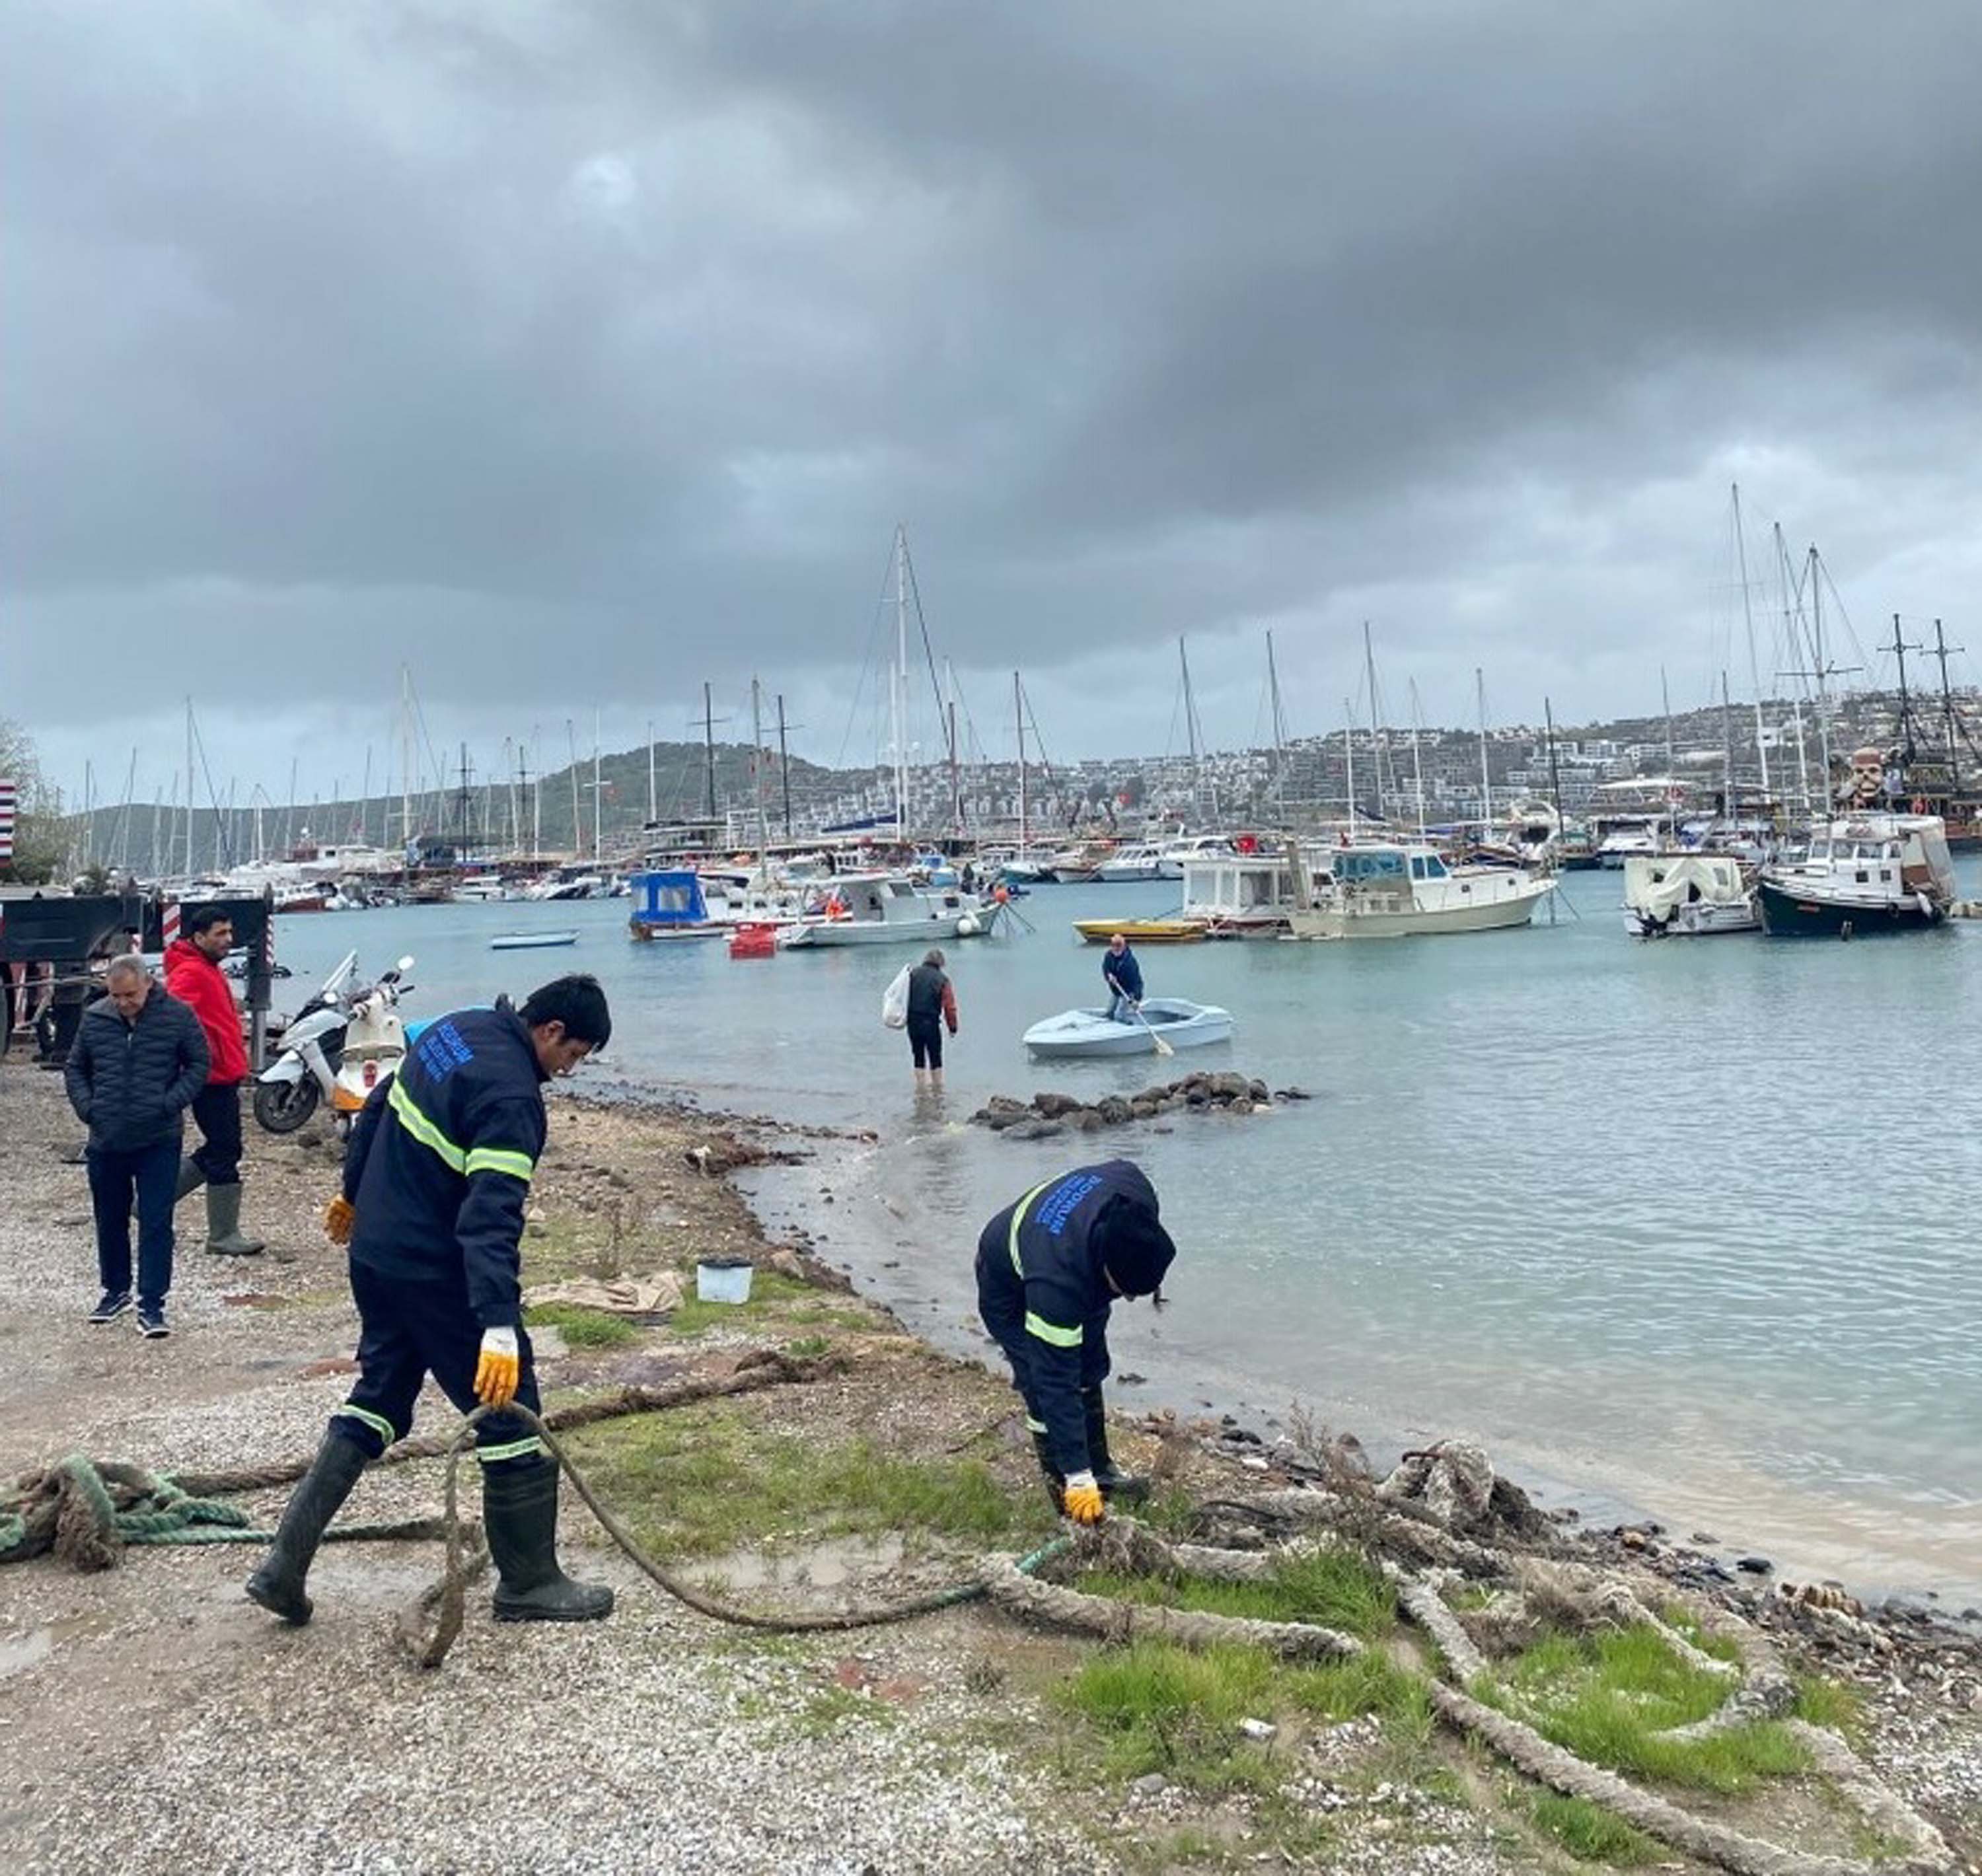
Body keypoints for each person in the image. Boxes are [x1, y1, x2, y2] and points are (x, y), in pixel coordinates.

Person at [247, 974, 615, 1628]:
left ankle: (283, 1564)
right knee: (509, 1411)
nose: (569, 1069)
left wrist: (354, 1192)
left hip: (376, 1255)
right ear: (552, 1031)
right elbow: (489, 1223)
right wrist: (499, 1326)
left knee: (382, 1396)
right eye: (575, 1054)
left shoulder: (454, 1029)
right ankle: (530, 1581)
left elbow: (380, 1103)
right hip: (432, 1268)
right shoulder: (512, 1097)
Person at [974, 1159, 1175, 1525]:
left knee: (1091, 1361)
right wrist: (1076, 1475)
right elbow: (1056, 1381)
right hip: (1008, 1287)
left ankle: (1102, 1472)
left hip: (1079, 1258)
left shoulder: (1134, 1193)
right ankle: (1068, 1492)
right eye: (1123, 1292)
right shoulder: (1058, 1285)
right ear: (1104, 1269)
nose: (1127, 1301)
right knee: (1042, 1382)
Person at [63, 955, 210, 1337]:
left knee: (156, 1221)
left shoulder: (177, 1016)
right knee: (109, 1219)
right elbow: (75, 1067)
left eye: (130, 995)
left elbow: (199, 1064)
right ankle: (115, 1291)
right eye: (117, 996)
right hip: (106, 1138)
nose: (124, 1003)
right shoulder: (96, 1018)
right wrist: (88, 1108)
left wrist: (168, 1103)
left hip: (157, 1139)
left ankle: (152, 1303)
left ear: (148, 984)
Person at [163, 904, 264, 1256]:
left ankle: (153, 1199)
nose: (228, 940)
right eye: (220, 934)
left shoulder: (205, 967)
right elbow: (170, 1020)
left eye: (230, 933)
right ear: (199, 937)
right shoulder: (191, 972)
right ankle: (221, 1234)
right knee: (224, 1148)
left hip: (220, 1073)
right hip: (210, 1077)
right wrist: (192, 1062)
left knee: (224, 1146)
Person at [906, 947, 958, 1084]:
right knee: (935, 1056)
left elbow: (903, 996)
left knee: (918, 1055)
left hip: (912, 1021)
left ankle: (921, 1088)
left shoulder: (912, 974)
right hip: (930, 1022)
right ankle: (938, 1088)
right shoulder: (942, 980)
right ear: (941, 963)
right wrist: (953, 1027)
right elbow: (949, 1007)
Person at [1103, 931, 1144, 1022]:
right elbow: (1106, 968)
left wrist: (1136, 999)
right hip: (1116, 990)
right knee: (1110, 1012)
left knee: (1119, 1015)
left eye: (1118, 946)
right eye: (1114, 945)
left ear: (1124, 946)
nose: (1116, 948)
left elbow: (1137, 982)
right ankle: (1108, 1027)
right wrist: (1109, 976)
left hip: (1128, 991)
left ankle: (1128, 1025)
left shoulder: (1129, 962)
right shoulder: (1109, 956)